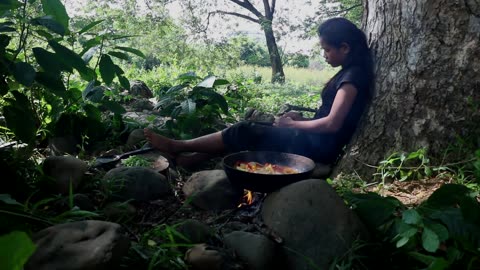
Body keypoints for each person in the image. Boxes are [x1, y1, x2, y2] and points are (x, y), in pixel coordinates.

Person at [144, 17, 374, 167]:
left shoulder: (352, 77)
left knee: (245, 130)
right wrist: (301, 119)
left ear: (345, 48)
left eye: (327, 49)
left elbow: (333, 124)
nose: (324, 55)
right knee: (257, 129)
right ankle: (192, 158)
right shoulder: (350, 72)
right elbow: (330, 116)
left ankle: (179, 147)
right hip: (315, 140)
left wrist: (293, 126)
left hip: (319, 148)